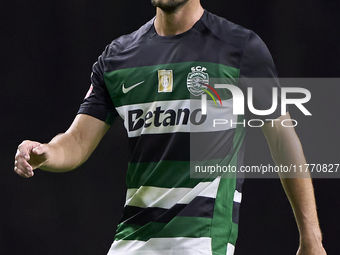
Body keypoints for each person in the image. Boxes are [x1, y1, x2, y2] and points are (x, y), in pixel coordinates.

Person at [14, 0, 326, 254]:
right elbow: (78, 140)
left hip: (200, 240)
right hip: (130, 242)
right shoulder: (118, 57)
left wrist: (311, 238)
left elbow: (283, 139)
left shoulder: (240, 48)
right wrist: (47, 153)